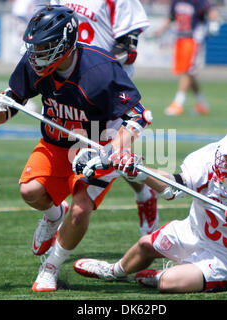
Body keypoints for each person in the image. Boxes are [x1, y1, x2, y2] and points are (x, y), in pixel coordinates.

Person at [0, 5, 153, 292]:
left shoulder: (100, 69)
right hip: (56, 142)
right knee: (30, 191)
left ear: (65, 43)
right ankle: (54, 215)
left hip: (96, 143)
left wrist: (111, 151)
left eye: (45, 47)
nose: (37, 54)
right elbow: (14, 99)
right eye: (35, 47)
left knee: (80, 210)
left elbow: (139, 116)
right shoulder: (34, 64)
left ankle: (50, 268)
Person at [74, 124, 227, 293]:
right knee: (145, 244)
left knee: (166, 283)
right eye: (224, 156)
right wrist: (140, 172)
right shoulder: (211, 155)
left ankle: (164, 275)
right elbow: (173, 188)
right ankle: (114, 271)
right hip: (195, 232)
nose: (223, 163)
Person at [50, 0, 158, 236]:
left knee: (109, 153)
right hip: (67, 85)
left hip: (104, 88)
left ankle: (144, 193)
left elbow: (127, 48)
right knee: (64, 144)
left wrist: (91, 68)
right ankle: (54, 212)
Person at [154, 0, 219, 116]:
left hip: (194, 38)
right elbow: (172, 17)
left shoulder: (197, 2)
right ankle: (202, 104)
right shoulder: (177, 2)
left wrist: (212, 17)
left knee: (187, 71)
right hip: (181, 38)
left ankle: (178, 103)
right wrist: (161, 29)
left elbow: (211, 11)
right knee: (189, 73)